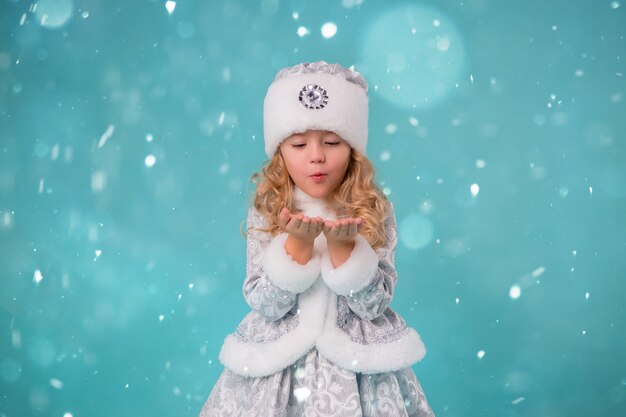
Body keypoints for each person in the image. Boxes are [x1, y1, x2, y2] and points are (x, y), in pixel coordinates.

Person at [199, 61, 435, 417]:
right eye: (298, 144)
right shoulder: (271, 208)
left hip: (358, 367)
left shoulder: (372, 208)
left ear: (353, 148)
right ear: (280, 151)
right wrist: (296, 248)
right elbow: (265, 304)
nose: (316, 156)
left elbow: (374, 305)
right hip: (278, 367)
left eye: (331, 141)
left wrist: (346, 252)